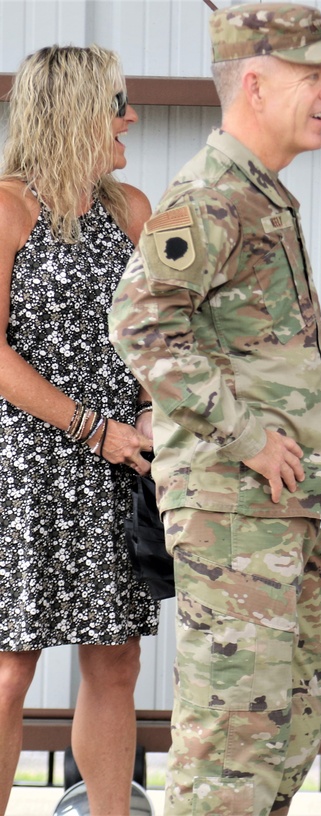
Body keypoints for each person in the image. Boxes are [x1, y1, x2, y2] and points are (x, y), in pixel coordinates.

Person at [108, 5, 321, 815]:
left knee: (285, 730)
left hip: (283, 513)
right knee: (230, 751)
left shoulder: (260, 194)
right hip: (234, 513)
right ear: (256, 82)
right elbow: (140, 322)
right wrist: (247, 437)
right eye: (313, 76)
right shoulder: (212, 195)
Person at [0, 45, 159, 815]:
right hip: (21, 468)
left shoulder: (131, 209)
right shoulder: (5, 209)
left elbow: (165, 336)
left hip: (114, 467)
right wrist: (96, 427)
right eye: (117, 102)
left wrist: (155, 405)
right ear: (70, 111)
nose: (131, 115)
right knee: (7, 672)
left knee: (116, 662)